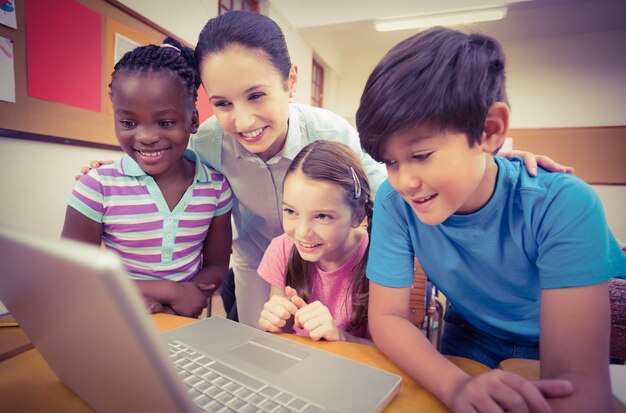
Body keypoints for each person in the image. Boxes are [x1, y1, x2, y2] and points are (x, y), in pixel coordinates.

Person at [78, 11, 571, 327]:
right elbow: (162, 159)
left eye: (257, 95)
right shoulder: (206, 142)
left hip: (334, 272)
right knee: (261, 357)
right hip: (259, 269)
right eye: (223, 103)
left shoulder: (332, 134)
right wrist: (115, 169)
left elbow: (396, 185)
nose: (243, 121)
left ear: (290, 80)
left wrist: (493, 159)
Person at [356, 27, 626, 413]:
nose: (404, 182)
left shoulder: (563, 202)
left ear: (490, 130)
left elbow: (577, 384)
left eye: (422, 154)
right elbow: (387, 316)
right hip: (473, 334)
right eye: (391, 162)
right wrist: (456, 386)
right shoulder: (394, 201)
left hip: (567, 344)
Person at [62, 38, 233, 318]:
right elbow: (73, 274)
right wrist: (170, 292)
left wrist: (187, 298)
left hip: (184, 321)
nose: (146, 137)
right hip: (117, 317)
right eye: (128, 123)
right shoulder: (96, 187)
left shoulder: (216, 188)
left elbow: (216, 264)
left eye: (166, 122)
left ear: (193, 120)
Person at [257, 141, 372, 344]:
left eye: (322, 216)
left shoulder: (377, 257)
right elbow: (281, 334)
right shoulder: (282, 249)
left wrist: (339, 337)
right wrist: (276, 322)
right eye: (291, 211)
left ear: (358, 215)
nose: (302, 232)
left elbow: (387, 355)